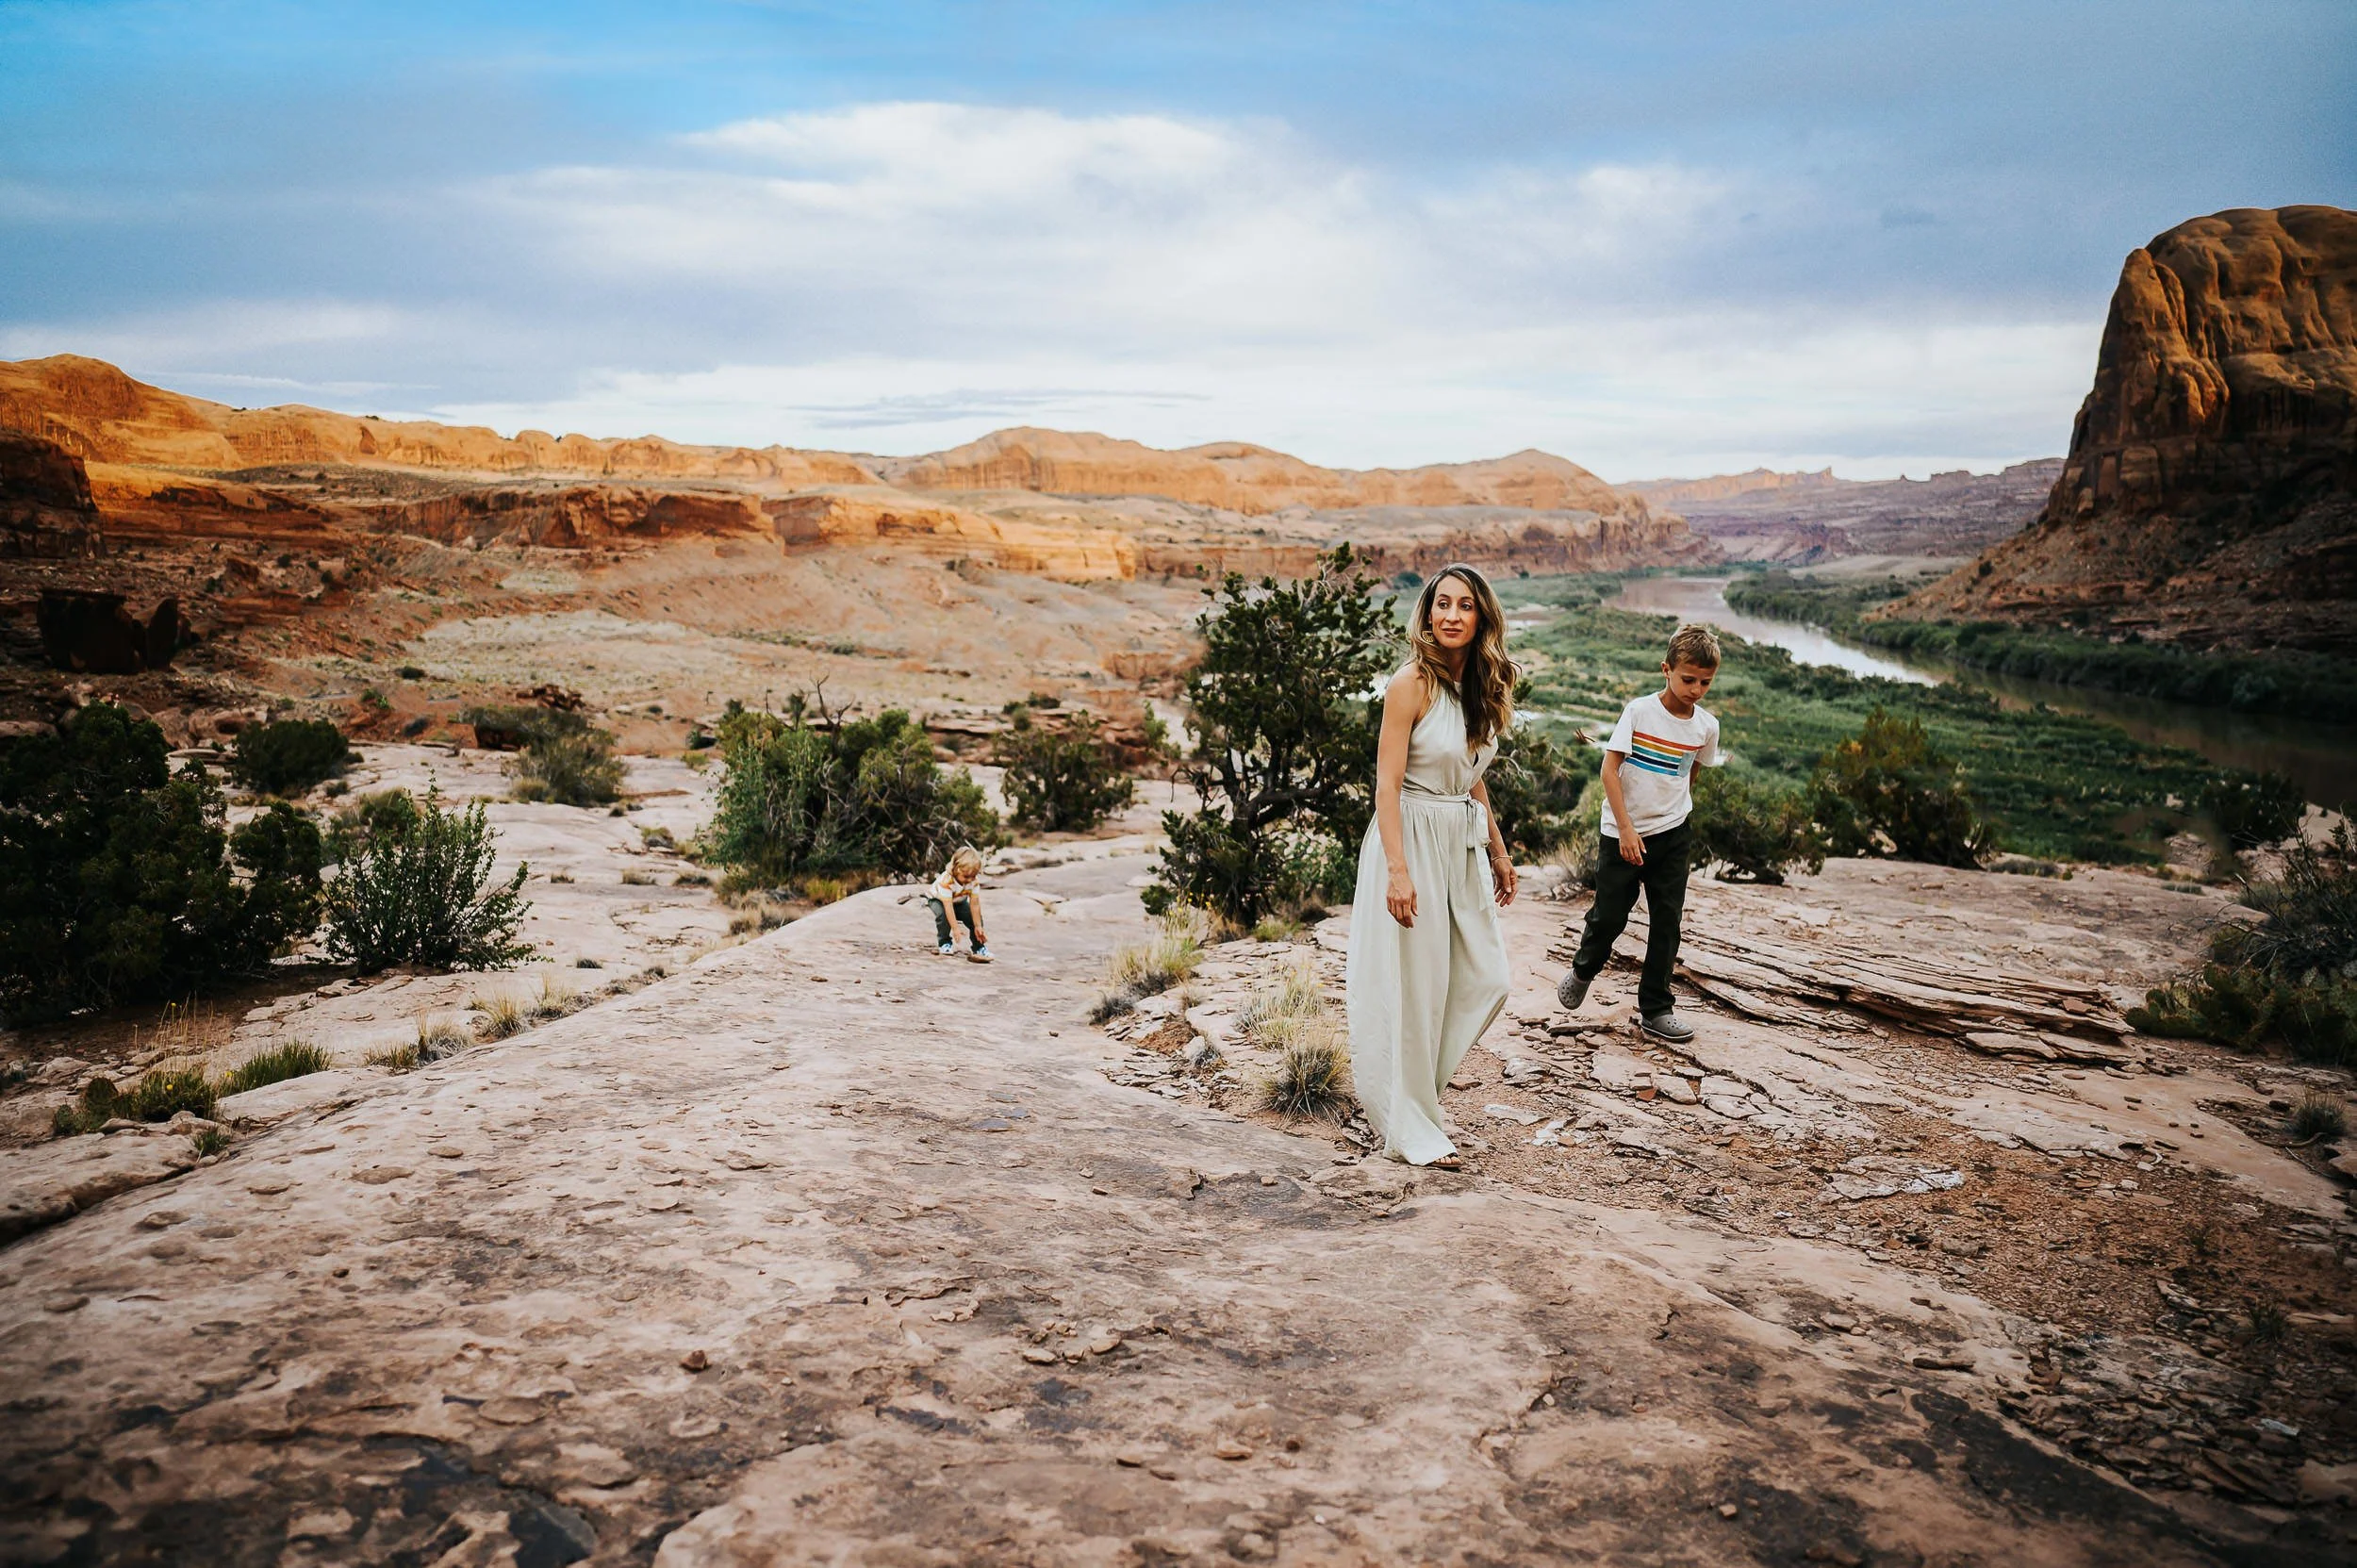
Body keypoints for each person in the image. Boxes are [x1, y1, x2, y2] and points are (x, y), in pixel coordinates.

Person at [1346, 564, 1518, 1167]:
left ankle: (1417, 1096)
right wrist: (1397, 869)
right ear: (1427, 614)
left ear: (1481, 617)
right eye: (1441, 604)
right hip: (1412, 838)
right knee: (1414, 992)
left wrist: (1497, 848)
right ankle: (1407, 1121)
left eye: (1464, 605)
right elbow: (1386, 786)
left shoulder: (1484, 685)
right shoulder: (1409, 684)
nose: (1451, 615)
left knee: (1486, 977)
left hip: (1460, 843)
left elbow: (1471, 778)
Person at [1556, 622, 1724, 1042]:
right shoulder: (1639, 712)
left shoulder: (1706, 726)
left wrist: (1674, 815)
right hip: (1622, 834)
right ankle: (1584, 968)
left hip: (1673, 835)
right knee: (1611, 915)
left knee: (1666, 922)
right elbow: (1609, 770)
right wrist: (1627, 829)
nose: (1696, 689)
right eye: (1688, 679)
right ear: (1666, 669)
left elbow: (1691, 773)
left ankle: (1656, 1008)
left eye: (1705, 682)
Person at [928, 845, 992, 962]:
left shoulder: (973, 881)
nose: (970, 880)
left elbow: (975, 904)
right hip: (939, 901)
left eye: (973, 876)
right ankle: (944, 942)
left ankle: (979, 947)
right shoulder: (946, 881)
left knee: (975, 919)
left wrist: (978, 926)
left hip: (959, 901)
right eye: (966, 876)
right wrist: (955, 928)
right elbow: (948, 907)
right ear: (956, 868)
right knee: (943, 917)